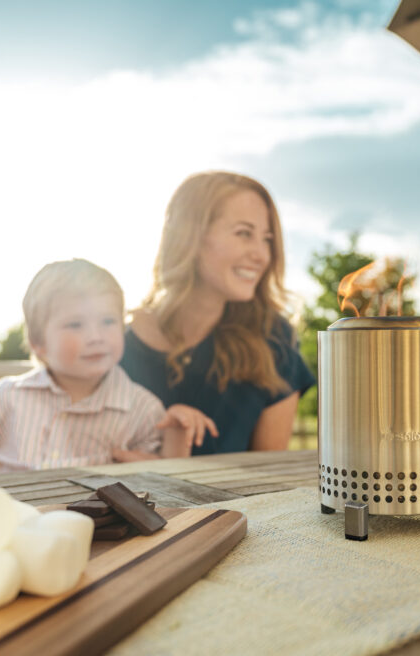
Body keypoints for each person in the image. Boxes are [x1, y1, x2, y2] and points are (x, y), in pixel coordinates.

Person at [0, 259, 200, 475]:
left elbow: (165, 484)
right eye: (76, 325)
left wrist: (173, 444)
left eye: (108, 321)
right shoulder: (7, 397)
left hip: (106, 536)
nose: (96, 336)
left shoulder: (142, 408)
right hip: (16, 532)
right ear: (38, 343)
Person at [121, 171, 315, 455]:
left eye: (267, 239)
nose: (262, 255)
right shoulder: (111, 343)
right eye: (244, 234)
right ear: (191, 236)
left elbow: (267, 481)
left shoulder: (274, 342)